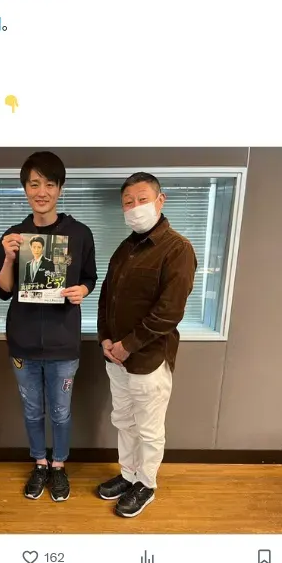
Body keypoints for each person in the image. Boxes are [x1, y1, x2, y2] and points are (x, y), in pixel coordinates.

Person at [0, 155, 97, 498]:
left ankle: (59, 465)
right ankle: (40, 462)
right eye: (34, 184)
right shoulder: (13, 237)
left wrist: (82, 291)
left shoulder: (79, 234)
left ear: (60, 189)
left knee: (61, 412)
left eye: (50, 184)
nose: (42, 192)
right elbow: (4, 290)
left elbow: (90, 277)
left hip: (63, 342)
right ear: (25, 189)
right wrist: (10, 257)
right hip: (23, 342)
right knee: (32, 410)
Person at [96, 174, 197, 518]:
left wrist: (128, 345)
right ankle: (128, 474)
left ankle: (147, 483)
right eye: (128, 202)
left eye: (142, 199)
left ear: (160, 200)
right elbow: (106, 297)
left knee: (149, 428)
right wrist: (105, 338)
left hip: (149, 358)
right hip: (115, 357)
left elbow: (169, 311)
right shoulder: (124, 248)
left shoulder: (178, 249)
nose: (135, 207)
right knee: (123, 420)